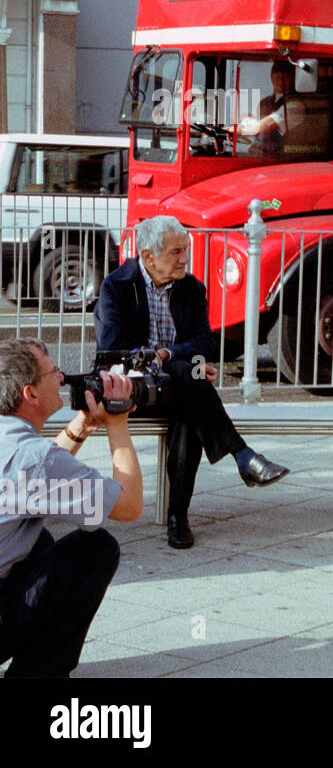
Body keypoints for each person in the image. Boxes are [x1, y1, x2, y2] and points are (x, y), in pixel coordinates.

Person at [95, 216, 290, 549]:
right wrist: (166, 362)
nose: (185, 258)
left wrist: (169, 356)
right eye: (176, 252)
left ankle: (179, 516)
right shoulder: (117, 286)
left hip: (177, 388)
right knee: (192, 381)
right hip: (128, 387)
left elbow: (205, 342)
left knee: (189, 405)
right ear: (148, 256)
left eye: (186, 249)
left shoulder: (191, 287)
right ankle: (240, 458)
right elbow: (113, 347)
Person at [0, 338, 141, 677]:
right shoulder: (33, 458)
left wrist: (83, 426)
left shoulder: (14, 443)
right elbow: (128, 506)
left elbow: (34, 479)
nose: (62, 378)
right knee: (96, 548)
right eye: (53, 372)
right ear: (30, 394)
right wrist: (118, 422)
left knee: (40, 539)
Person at [235, 60, 298, 156]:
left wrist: (236, 131)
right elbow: (253, 123)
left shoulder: (295, 104)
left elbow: (266, 125)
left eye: (285, 78)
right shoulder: (264, 103)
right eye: (277, 77)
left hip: (280, 159)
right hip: (260, 154)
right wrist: (230, 129)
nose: (281, 81)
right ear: (272, 78)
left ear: (292, 79)